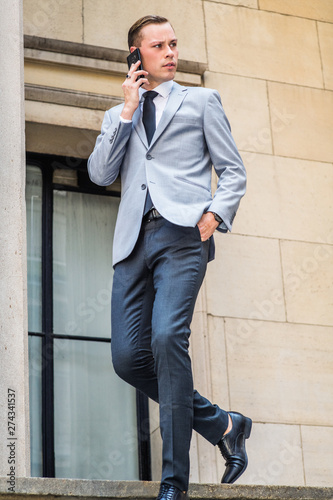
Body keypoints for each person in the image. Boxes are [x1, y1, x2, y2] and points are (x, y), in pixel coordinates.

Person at [88, 14, 251, 500]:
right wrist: (125, 111)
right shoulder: (120, 113)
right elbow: (99, 174)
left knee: (166, 339)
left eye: (173, 44)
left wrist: (213, 217)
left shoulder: (201, 101)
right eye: (158, 46)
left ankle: (174, 484)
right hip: (132, 243)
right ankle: (224, 424)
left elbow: (233, 171)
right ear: (136, 56)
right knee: (126, 359)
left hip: (183, 236)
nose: (170, 52)